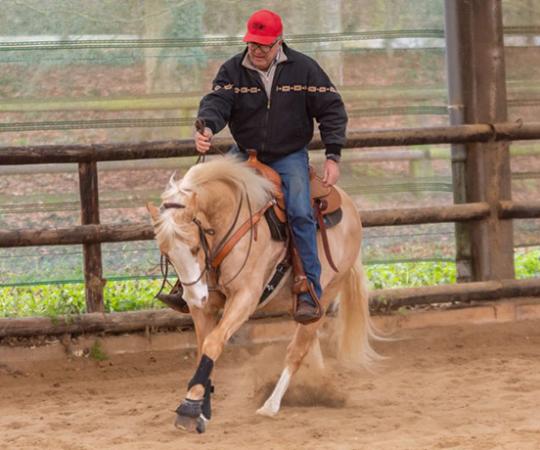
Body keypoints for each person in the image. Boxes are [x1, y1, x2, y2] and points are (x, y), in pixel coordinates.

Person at [194, 9, 347, 324]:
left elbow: (332, 108)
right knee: (203, 200)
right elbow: (217, 103)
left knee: (301, 213)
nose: (258, 50)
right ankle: (198, 285)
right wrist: (207, 127)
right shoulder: (232, 71)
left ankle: (308, 290)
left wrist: (333, 154)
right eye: (253, 43)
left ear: (279, 41)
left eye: (264, 44)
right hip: (244, 153)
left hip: (288, 155)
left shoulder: (304, 70)